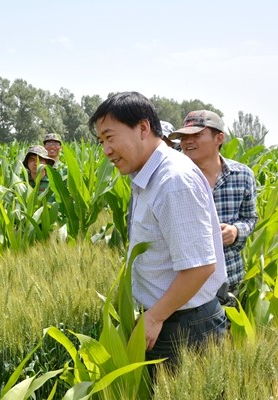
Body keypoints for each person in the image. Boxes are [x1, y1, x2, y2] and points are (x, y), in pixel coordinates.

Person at [89, 92, 227, 367]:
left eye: (110, 137)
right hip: (171, 319)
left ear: (143, 128)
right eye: (101, 141)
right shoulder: (145, 176)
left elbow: (200, 267)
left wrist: (154, 317)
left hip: (183, 327)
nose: (105, 150)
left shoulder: (173, 181)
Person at [169, 110, 258, 299]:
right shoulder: (173, 179)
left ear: (219, 138)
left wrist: (236, 230)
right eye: (184, 136)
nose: (187, 141)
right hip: (184, 284)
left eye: (197, 135)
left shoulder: (242, 176)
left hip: (230, 278)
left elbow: (250, 217)